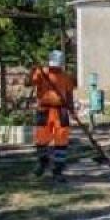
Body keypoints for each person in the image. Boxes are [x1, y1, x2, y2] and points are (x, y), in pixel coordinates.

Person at [31, 50, 76, 181]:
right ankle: (43, 161)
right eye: (53, 65)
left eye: (57, 66)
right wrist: (32, 70)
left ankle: (58, 170)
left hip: (61, 111)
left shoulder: (66, 77)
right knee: (41, 139)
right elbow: (28, 83)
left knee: (61, 140)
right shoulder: (41, 73)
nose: (54, 68)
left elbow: (69, 94)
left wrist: (71, 108)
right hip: (44, 110)